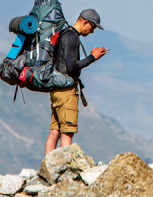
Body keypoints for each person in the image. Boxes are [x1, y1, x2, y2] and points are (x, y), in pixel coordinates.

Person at [44, 8, 109, 155]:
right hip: (66, 91)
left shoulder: (64, 34)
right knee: (67, 132)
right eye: (92, 27)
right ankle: (63, 170)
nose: (92, 32)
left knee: (55, 131)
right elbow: (71, 67)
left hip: (55, 88)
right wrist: (92, 58)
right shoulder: (72, 37)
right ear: (85, 22)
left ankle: (47, 169)